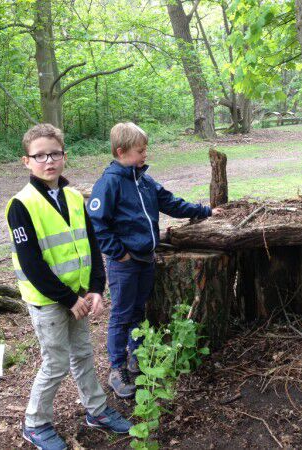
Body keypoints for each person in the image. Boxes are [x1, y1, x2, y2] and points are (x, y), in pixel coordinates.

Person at [6, 123, 132, 450]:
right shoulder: (21, 205)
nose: (48, 161)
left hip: (78, 295)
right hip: (49, 300)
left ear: (64, 156)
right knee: (56, 362)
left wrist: (96, 289)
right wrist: (68, 299)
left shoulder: (74, 197)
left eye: (55, 154)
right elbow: (32, 263)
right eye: (40, 155)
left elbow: (91, 244)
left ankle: (97, 410)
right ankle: (35, 423)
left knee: (83, 354)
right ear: (26, 161)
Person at [88, 122, 223, 398]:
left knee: (139, 311)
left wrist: (204, 211)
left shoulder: (144, 181)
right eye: (140, 150)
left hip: (145, 259)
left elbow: (171, 203)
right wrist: (119, 253)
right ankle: (117, 368)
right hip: (124, 263)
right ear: (121, 151)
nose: (145, 154)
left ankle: (137, 356)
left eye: (145, 149)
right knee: (122, 314)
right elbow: (97, 223)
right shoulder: (110, 183)